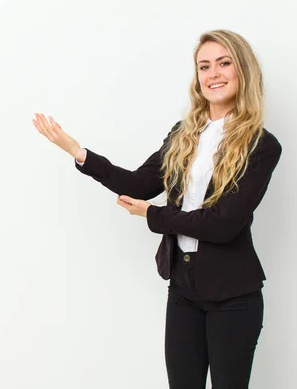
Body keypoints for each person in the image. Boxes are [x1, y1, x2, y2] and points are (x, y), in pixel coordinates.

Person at [32, 29, 282, 389]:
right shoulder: (185, 134)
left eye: (224, 63)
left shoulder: (261, 145)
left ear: (243, 71)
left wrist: (153, 215)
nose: (213, 74)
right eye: (204, 66)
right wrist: (78, 152)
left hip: (234, 296)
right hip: (183, 289)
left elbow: (223, 225)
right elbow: (138, 184)